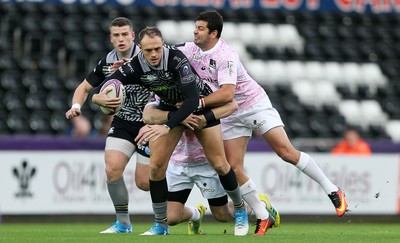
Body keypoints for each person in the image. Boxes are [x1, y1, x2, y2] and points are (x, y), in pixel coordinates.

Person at [174, 11, 348, 219]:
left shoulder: (225, 56)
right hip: (229, 113)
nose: (195, 31)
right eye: (196, 27)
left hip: (253, 104)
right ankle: (262, 212)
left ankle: (332, 190)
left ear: (214, 33)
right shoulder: (188, 49)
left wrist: (197, 102)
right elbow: (160, 53)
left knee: (286, 152)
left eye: (200, 28)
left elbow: (228, 93)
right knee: (234, 169)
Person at [102, 26, 249, 236]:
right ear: (140, 50)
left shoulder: (176, 59)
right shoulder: (136, 64)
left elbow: (191, 100)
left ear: (163, 45)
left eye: (157, 49)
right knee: (156, 167)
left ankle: (241, 210)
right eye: (148, 50)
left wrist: (166, 126)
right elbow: (110, 81)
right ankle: (160, 225)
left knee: (219, 163)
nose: (153, 54)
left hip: (199, 106)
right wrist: (99, 97)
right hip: (171, 107)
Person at [65, 17, 152, 233]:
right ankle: (123, 223)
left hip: (150, 123)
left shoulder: (148, 55)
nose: (121, 39)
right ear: (110, 38)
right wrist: (77, 105)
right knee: (112, 169)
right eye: (116, 35)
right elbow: (84, 88)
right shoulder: (107, 62)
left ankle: (186, 212)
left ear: (133, 36)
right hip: (123, 122)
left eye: (125, 34)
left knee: (145, 183)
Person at [142, 99, 280, 235]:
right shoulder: (163, 98)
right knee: (170, 218)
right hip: (178, 163)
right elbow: (149, 112)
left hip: (205, 164)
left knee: (222, 216)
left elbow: (231, 105)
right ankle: (196, 214)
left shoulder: (201, 97)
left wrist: (202, 115)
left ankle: (258, 205)